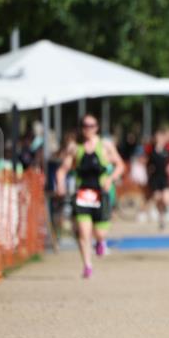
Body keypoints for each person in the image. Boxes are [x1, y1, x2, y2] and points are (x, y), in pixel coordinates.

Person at [55, 114, 125, 278]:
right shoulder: (75, 148)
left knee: (100, 233)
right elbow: (62, 170)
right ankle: (87, 265)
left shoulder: (105, 146)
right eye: (86, 126)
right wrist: (60, 185)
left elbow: (120, 165)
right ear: (81, 128)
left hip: (101, 194)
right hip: (83, 195)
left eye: (92, 125)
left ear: (97, 127)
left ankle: (101, 241)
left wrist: (110, 179)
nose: (89, 129)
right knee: (83, 232)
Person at [145, 127, 169, 230]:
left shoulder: (168, 150)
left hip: (165, 177)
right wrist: (149, 171)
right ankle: (161, 217)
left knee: (166, 199)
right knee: (158, 199)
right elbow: (148, 163)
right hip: (155, 178)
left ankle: (168, 213)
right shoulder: (151, 150)